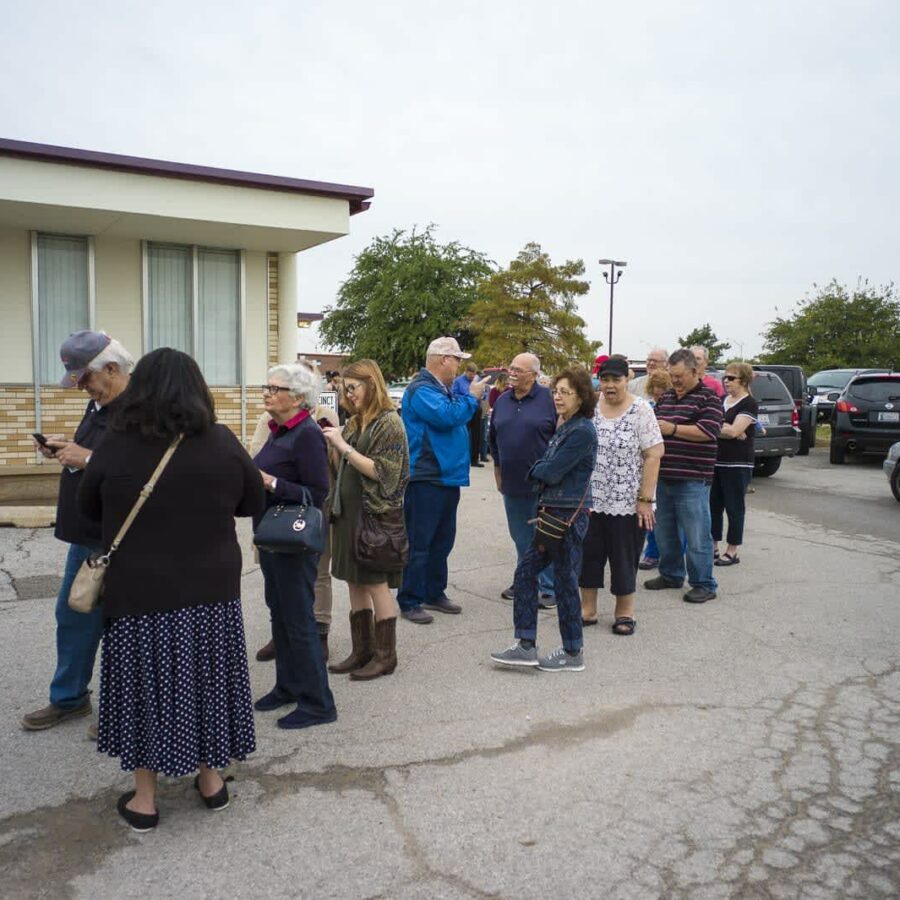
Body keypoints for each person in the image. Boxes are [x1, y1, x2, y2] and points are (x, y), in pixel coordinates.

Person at [78, 348, 266, 832]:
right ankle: (210, 781)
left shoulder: (116, 443)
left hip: (139, 591)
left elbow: (88, 509)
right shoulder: (221, 442)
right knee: (205, 682)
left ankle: (145, 800)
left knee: (143, 688)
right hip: (210, 590)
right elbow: (252, 501)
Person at [22, 331, 134, 736]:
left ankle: (120, 710)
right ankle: (70, 698)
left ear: (111, 368)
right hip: (87, 533)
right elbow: (100, 458)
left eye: (85, 378)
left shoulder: (140, 411)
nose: (82, 387)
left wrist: (88, 458)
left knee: (121, 625)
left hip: (118, 537)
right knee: (73, 615)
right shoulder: (99, 404)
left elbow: (143, 472)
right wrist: (67, 449)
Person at [490, 367, 597, 672]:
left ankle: (569, 652)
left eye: (567, 392)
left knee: (557, 580)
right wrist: (541, 468)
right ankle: (531, 646)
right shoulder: (567, 427)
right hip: (552, 511)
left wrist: (538, 469)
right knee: (536, 576)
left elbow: (549, 471)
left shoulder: (581, 431)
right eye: (556, 391)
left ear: (582, 397)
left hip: (566, 516)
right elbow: (546, 467)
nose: (559, 397)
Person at [252, 363, 336, 729]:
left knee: (299, 619)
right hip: (272, 538)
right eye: (266, 386)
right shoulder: (277, 430)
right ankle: (287, 686)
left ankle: (318, 702)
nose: (267, 393)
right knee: (280, 616)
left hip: (293, 541)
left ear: (298, 398)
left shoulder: (306, 434)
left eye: (275, 388)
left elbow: (318, 493)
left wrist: (271, 483)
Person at [322, 359, 409, 679]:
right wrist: (333, 446)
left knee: (375, 582)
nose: (349, 394)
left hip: (373, 516)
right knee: (354, 580)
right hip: (348, 514)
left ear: (372, 384)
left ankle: (386, 656)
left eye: (353, 387)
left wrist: (343, 447)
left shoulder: (389, 423)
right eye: (345, 388)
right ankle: (363, 651)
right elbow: (344, 464)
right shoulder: (357, 420)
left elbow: (383, 472)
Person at [397, 337, 488, 624]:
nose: (460, 365)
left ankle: (433, 591)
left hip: (446, 476)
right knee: (420, 541)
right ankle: (410, 598)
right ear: (443, 359)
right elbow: (448, 417)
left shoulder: (439, 388)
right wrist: (471, 396)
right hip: (427, 476)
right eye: (457, 359)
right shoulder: (422, 389)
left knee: (442, 540)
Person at [578, 357, 663, 635]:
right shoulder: (590, 408)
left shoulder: (641, 410)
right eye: (605, 380)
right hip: (590, 500)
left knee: (624, 557)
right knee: (588, 555)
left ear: (627, 380)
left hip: (628, 502)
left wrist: (645, 499)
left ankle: (624, 612)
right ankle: (587, 609)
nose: (610, 385)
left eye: (616, 379)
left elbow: (653, 454)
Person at [644, 348, 723, 604]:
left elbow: (708, 431)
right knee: (666, 532)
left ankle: (703, 583)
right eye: (672, 375)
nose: (675, 380)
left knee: (697, 533)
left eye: (679, 376)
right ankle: (671, 574)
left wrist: (673, 429)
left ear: (693, 371)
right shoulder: (666, 397)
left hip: (693, 478)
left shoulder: (709, 398)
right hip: (664, 476)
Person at [489, 352, 557, 605]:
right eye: (511, 368)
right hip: (512, 482)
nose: (512, 373)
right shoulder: (504, 401)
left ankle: (551, 588)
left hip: (545, 484)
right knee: (520, 536)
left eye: (519, 370)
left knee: (545, 536)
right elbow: (493, 439)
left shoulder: (550, 400)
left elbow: (561, 438)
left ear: (534, 375)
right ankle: (526, 580)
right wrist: (497, 470)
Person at [711, 362, 759, 565]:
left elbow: (734, 431)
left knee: (734, 506)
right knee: (713, 506)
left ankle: (732, 550)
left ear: (744, 380)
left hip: (738, 463)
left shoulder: (749, 403)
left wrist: (728, 430)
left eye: (731, 378)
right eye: (725, 377)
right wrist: (727, 429)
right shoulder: (722, 400)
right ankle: (712, 546)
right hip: (715, 461)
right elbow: (722, 428)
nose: (726, 381)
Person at [638, 369, 674, 570]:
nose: (658, 394)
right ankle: (652, 552)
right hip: (652, 467)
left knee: (667, 517)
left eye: (661, 390)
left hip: (667, 465)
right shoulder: (649, 406)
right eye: (655, 390)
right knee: (652, 511)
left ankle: (668, 554)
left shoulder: (670, 407)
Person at [452, 362, 484, 467]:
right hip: (464, 409)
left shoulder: (477, 380)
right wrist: (468, 396)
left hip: (476, 409)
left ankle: (474, 460)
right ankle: (461, 459)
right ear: (466, 372)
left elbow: (483, 392)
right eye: (471, 374)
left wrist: (481, 396)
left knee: (476, 436)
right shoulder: (458, 381)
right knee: (463, 435)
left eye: (474, 374)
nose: (472, 376)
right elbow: (454, 395)